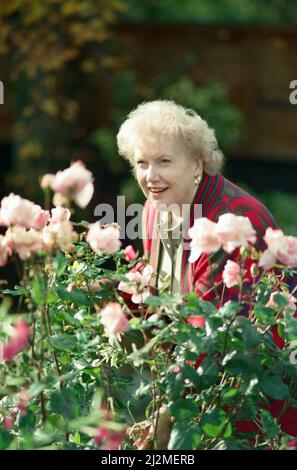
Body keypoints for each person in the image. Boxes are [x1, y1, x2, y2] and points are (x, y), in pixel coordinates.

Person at [116, 99, 297, 445]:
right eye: (142, 163)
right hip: (204, 382)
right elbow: (161, 290)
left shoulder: (231, 225)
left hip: (260, 389)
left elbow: (217, 336)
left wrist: (168, 414)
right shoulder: (157, 210)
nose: (150, 176)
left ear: (196, 163)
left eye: (164, 162)